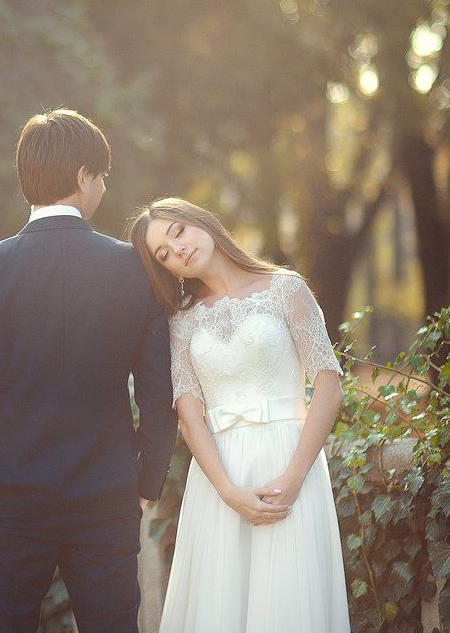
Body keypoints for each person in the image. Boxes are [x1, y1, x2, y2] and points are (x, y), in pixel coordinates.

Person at [0, 110, 178, 633]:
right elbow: (159, 398)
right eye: (103, 177)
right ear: (84, 176)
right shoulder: (137, 270)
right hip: (106, 497)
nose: (105, 188)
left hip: (7, 497)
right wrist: (144, 481)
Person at [129, 197, 351, 633]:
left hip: (290, 463)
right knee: (219, 608)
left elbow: (328, 385)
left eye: (178, 232)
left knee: (290, 602)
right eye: (164, 254)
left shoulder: (287, 288)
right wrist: (228, 491)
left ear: (201, 222)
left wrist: (292, 478)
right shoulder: (181, 320)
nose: (179, 250)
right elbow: (189, 414)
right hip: (219, 478)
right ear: (167, 270)